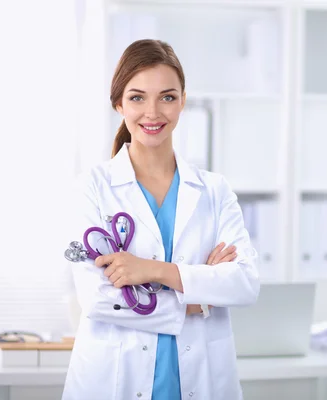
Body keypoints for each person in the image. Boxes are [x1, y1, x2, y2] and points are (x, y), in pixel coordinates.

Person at [62, 39, 260, 400]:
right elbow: (98, 298)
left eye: (167, 97)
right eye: (137, 97)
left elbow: (244, 282)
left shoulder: (213, 190)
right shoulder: (93, 187)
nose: (152, 112)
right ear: (118, 103)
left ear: (183, 101)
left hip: (202, 382)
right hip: (112, 383)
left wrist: (152, 271)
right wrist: (197, 299)